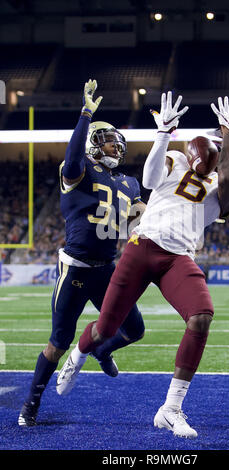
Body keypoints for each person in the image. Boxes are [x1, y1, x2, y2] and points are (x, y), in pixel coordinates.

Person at [57, 92, 229, 438]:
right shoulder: (175, 159)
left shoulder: (224, 187)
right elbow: (150, 180)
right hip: (143, 246)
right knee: (106, 328)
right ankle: (78, 354)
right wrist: (164, 133)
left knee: (201, 316)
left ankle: (170, 409)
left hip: (178, 257)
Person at [18, 79, 146, 427]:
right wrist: (86, 114)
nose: (115, 146)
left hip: (107, 269)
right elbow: (73, 157)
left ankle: (101, 351)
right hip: (75, 268)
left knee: (134, 330)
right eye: (107, 139)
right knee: (59, 342)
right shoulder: (78, 169)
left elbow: (140, 218)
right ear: (92, 143)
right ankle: (31, 403)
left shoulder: (129, 182)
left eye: (118, 142)